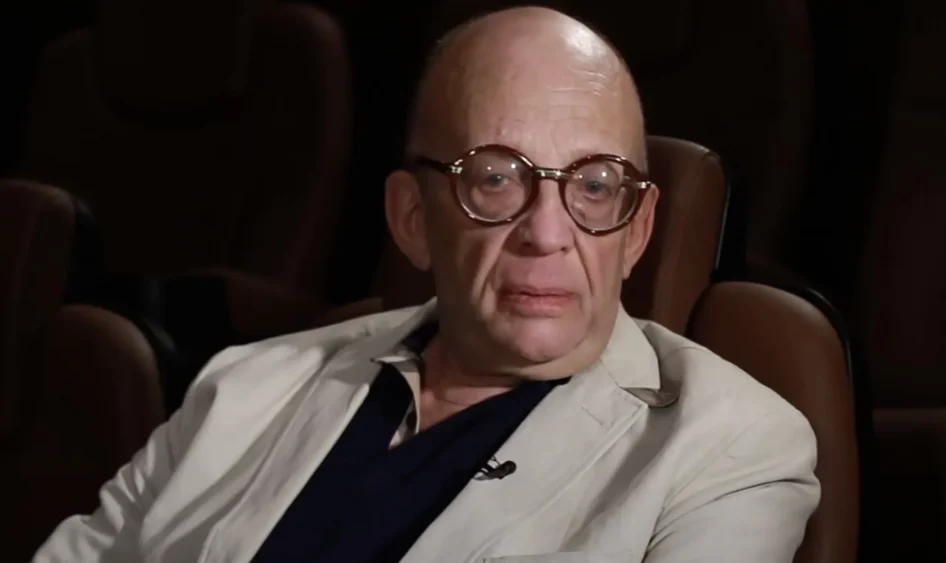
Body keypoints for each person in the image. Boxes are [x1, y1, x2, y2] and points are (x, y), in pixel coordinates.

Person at [34, 7, 819, 563]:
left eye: (593, 186)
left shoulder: (730, 447)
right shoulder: (242, 386)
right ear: (411, 217)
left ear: (638, 229)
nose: (547, 232)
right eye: (496, 178)